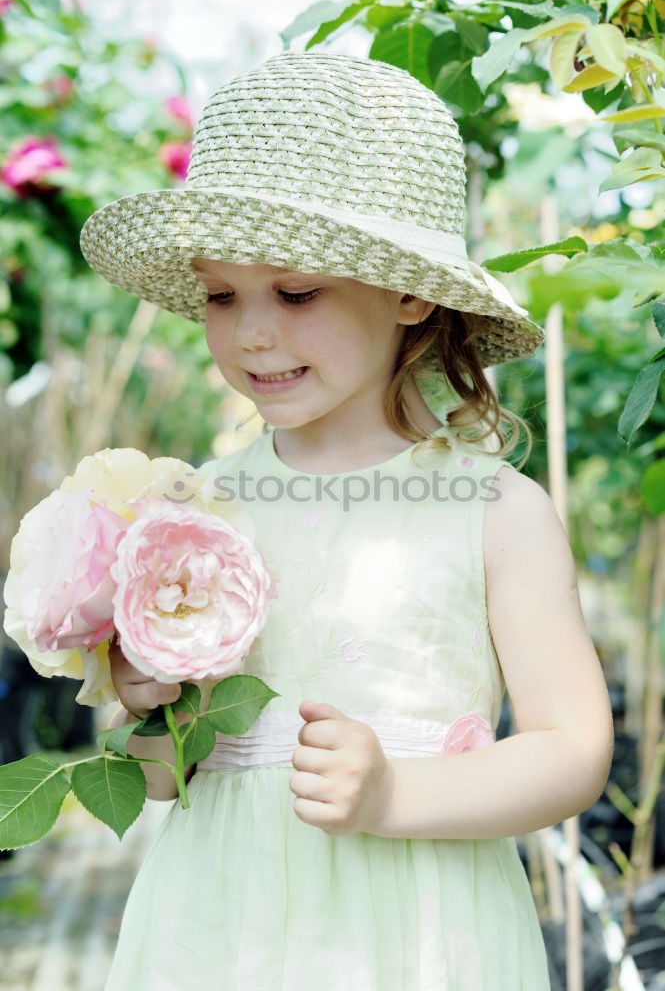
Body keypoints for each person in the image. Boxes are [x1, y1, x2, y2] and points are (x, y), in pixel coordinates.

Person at [79, 50, 614, 991]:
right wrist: (149, 705)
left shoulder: (492, 509)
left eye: (295, 292)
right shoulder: (187, 512)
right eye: (219, 294)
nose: (250, 332)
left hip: (413, 932)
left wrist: (395, 791)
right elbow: (167, 780)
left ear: (408, 292)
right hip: (217, 932)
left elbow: (572, 750)